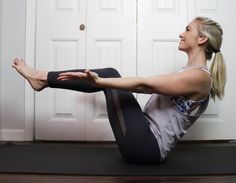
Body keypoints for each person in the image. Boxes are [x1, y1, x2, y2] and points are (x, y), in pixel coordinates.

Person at [12, 17, 226, 165]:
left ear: (202, 39)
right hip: (144, 140)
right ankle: (42, 79)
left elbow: (145, 85)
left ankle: (41, 78)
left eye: (187, 29)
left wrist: (101, 82)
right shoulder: (190, 72)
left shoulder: (199, 77)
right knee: (108, 76)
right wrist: (101, 82)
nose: (181, 33)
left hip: (147, 148)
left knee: (109, 75)